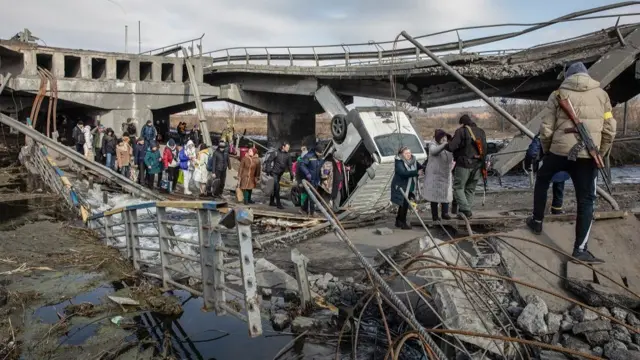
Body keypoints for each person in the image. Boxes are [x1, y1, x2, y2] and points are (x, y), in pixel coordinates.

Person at [527, 62, 616, 263]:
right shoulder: (602, 95)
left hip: (559, 150)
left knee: (542, 180)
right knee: (586, 201)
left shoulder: (557, 94)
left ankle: (537, 221)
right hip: (587, 156)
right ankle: (580, 249)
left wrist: (549, 150)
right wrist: (599, 153)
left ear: (567, 76)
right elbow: (610, 129)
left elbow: (546, 128)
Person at [446, 114, 487, 219]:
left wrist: (447, 142)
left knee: (458, 188)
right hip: (478, 165)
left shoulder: (461, 131)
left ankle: (465, 210)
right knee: (470, 189)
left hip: (464, 164)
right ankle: (464, 213)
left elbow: (451, 147)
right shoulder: (481, 131)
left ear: (463, 123)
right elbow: (485, 149)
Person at [525, 134, 570, 215]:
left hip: (545, 164)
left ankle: (538, 213)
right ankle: (557, 209)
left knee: (541, 187)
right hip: (562, 163)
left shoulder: (543, 133)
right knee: (559, 185)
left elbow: (531, 153)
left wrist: (528, 165)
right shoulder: (565, 133)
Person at [424, 129, 454, 221]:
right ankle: (435, 216)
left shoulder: (448, 146)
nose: (444, 139)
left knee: (446, 195)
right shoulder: (433, 144)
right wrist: (444, 145)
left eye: (445, 138)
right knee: (435, 196)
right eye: (443, 138)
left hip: (445, 174)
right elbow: (434, 151)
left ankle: (445, 213)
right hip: (435, 175)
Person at [391, 146, 424, 229]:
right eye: (406, 153)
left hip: (410, 186)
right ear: (401, 154)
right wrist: (416, 172)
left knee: (404, 204)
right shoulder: (399, 162)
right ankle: (402, 223)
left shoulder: (413, 160)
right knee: (404, 204)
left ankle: (398, 221)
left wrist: (424, 168)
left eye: (409, 153)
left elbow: (420, 167)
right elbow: (403, 173)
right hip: (401, 186)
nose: (408, 155)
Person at [264, 142, 293, 209]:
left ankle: (271, 202)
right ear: (283, 147)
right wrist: (268, 170)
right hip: (274, 173)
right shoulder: (276, 153)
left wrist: (291, 173)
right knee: (277, 188)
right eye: (287, 147)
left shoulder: (288, 155)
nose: (288, 149)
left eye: (289, 148)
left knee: (274, 188)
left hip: (280, 173)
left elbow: (290, 165)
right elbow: (269, 161)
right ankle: (278, 204)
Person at [299, 145, 324, 215]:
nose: (321, 154)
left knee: (310, 195)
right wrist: (307, 173)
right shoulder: (309, 156)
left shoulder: (320, 156)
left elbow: (321, 165)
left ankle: (303, 209)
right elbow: (302, 165)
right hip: (309, 179)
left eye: (321, 153)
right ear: (316, 151)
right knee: (312, 196)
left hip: (316, 179)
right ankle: (312, 212)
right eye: (319, 153)